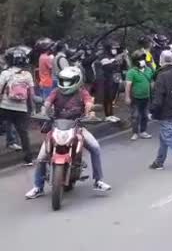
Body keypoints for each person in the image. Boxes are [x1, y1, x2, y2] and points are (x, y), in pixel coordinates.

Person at [25, 66, 112, 199]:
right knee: (41, 157)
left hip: (77, 126)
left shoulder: (82, 92)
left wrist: (89, 112)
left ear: (77, 81)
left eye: (68, 81)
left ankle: (98, 180)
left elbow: (89, 103)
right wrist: (43, 111)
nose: (65, 84)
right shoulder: (56, 91)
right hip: (56, 126)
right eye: (63, 81)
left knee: (95, 148)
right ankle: (38, 187)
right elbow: (47, 102)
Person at [0, 48, 35, 165]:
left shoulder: (5, 73)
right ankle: (28, 158)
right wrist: (32, 108)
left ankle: (10, 143)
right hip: (21, 109)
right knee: (23, 133)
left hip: (5, 106)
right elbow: (31, 95)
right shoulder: (28, 75)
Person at [125, 50, 154, 141]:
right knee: (135, 116)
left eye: (143, 59)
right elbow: (128, 85)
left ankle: (143, 131)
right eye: (140, 59)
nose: (142, 60)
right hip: (136, 98)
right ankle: (135, 132)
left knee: (145, 115)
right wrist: (127, 97)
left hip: (146, 97)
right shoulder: (131, 72)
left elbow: (152, 82)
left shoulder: (149, 70)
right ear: (135, 61)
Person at [99, 41, 126, 117]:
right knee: (108, 97)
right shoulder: (104, 57)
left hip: (116, 77)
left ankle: (111, 114)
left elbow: (122, 67)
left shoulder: (115, 56)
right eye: (113, 48)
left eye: (116, 48)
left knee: (114, 96)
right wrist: (116, 60)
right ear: (108, 49)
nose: (115, 50)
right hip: (108, 79)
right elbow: (108, 67)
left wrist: (124, 58)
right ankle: (108, 115)